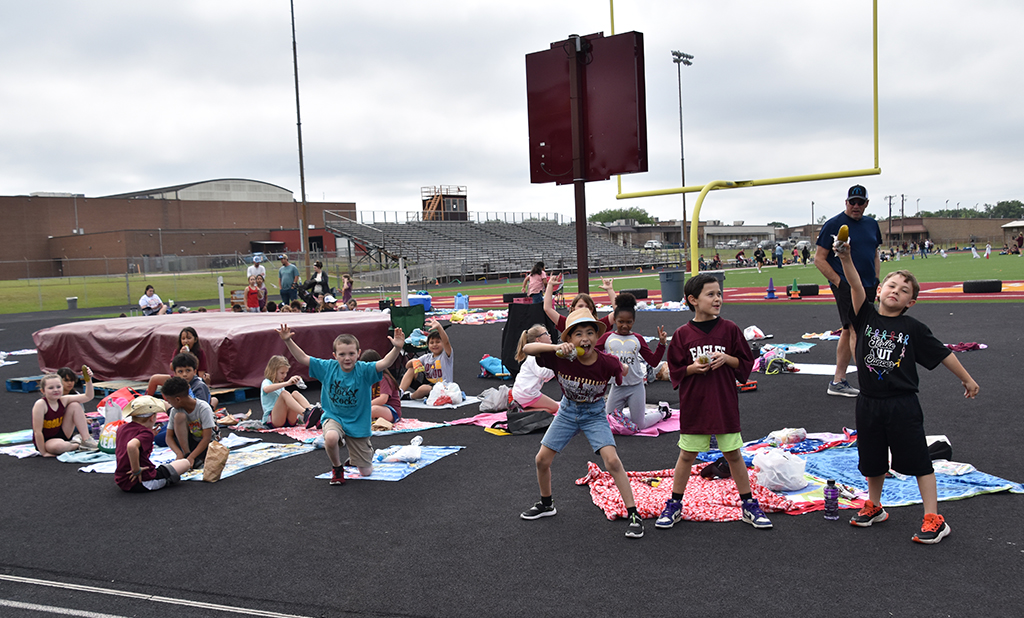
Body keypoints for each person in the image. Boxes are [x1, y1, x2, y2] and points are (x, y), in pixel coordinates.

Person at [834, 234, 979, 544]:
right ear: (880, 291)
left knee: (917, 462)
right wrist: (845, 258)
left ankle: (934, 518)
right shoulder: (865, 317)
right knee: (872, 460)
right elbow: (856, 287)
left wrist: (967, 379)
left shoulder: (913, 328)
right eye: (891, 286)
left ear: (911, 302)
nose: (895, 292)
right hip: (869, 402)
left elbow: (943, 354)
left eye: (903, 291)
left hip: (902, 404)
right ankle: (874, 506)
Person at [656, 273, 772, 531]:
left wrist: (727, 359)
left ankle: (748, 503)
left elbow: (745, 363)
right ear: (692, 300)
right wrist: (692, 368)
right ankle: (675, 503)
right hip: (695, 403)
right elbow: (674, 370)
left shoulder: (730, 329)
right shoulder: (683, 334)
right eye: (711, 294)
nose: (717, 298)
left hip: (723, 402)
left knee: (733, 454)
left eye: (719, 293)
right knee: (686, 455)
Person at [518, 308, 643, 538]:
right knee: (541, 460)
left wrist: (622, 367)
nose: (584, 338)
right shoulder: (560, 357)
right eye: (578, 334)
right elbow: (527, 348)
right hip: (567, 410)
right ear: (569, 339)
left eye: (589, 332)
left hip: (594, 413)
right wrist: (556, 348)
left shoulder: (606, 362)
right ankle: (547, 504)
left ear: (597, 337)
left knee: (612, 461)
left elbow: (621, 369)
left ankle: (634, 513)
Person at [276, 323, 405, 485]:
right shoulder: (327, 368)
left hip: (358, 422)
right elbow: (303, 358)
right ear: (334, 355)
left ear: (358, 354)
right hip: (334, 416)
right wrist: (288, 341)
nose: (347, 358)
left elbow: (384, 363)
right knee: (330, 437)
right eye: (342, 354)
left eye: (351, 353)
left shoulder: (364, 370)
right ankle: (337, 469)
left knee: (366, 472)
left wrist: (397, 348)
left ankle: (360, 454)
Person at [814, 185, 882, 398]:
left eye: (860, 202)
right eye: (852, 201)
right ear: (846, 202)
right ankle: (868, 382)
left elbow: (875, 254)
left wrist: (876, 279)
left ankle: (838, 380)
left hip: (868, 285)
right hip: (846, 285)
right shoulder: (833, 225)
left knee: (847, 328)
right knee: (856, 329)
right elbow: (819, 258)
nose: (856, 206)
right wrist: (838, 283)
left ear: (866, 204)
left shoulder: (872, 225)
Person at [597, 293, 668, 432]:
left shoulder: (638, 339)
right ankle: (635, 414)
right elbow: (592, 353)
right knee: (608, 420)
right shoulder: (607, 337)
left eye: (628, 322)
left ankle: (662, 412)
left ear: (633, 321)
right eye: (620, 321)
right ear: (615, 320)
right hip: (617, 387)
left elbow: (653, 362)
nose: (624, 325)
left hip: (636, 386)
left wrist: (661, 344)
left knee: (640, 425)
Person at [115, 396, 190, 493]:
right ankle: (167, 480)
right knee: (185, 463)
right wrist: (136, 470)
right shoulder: (146, 434)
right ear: (152, 418)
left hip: (122, 480)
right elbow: (131, 445)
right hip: (143, 481)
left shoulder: (122, 428)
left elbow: (128, 441)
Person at [32, 369, 99, 456]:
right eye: (51, 388)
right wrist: (43, 452)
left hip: (63, 433)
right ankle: (76, 445)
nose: (56, 390)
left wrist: (88, 379)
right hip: (47, 440)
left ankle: (86, 439)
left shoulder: (63, 399)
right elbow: (37, 431)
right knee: (59, 447)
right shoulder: (41, 404)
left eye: (58, 387)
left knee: (74, 405)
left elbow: (88, 396)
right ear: (43, 391)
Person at [162, 376, 216, 470]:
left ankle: (193, 457)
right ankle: (186, 454)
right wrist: (179, 453)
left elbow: (207, 438)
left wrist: (192, 457)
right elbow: (169, 437)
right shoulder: (176, 410)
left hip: (206, 444)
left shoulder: (203, 408)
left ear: (178, 399)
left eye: (169, 400)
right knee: (179, 417)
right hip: (189, 443)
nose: (169, 404)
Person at [398, 318, 453, 400]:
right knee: (411, 368)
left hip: (443, 388)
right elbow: (407, 366)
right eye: (431, 343)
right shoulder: (426, 357)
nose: (435, 345)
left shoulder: (445, 356)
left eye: (438, 342)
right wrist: (414, 362)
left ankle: (410, 396)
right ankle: (400, 393)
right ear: (428, 345)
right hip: (428, 384)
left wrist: (439, 327)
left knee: (424, 388)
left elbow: (446, 342)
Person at [543, 274, 616, 335]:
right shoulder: (567, 324)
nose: (584, 308)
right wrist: (550, 285)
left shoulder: (599, 325)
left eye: (588, 307)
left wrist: (610, 290)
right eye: (580, 306)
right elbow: (547, 308)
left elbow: (618, 311)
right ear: (573, 308)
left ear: (592, 309)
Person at [511, 324, 559, 414]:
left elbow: (546, 377)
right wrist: (558, 366)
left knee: (553, 406)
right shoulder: (534, 356)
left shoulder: (539, 355)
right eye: (546, 333)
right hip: (526, 394)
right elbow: (543, 373)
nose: (550, 335)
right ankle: (521, 411)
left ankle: (522, 408)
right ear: (538, 340)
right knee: (554, 408)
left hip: (524, 392)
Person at [261, 355, 317, 428]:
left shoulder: (280, 385)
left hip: (288, 419)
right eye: (282, 373)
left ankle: (311, 411)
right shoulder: (267, 382)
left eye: (286, 372)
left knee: (295, 393)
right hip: (274, 420)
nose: (285, 375)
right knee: (284, 393)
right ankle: (306, 414)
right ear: (273, 371)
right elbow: (266, 389)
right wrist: (287, 383)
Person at [360, 349, 402, 423]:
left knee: (373, 410)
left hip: (390, 411)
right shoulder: (366, 378)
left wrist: (365, 406)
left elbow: (383, 399)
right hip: (376, 407)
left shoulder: (383, 377)